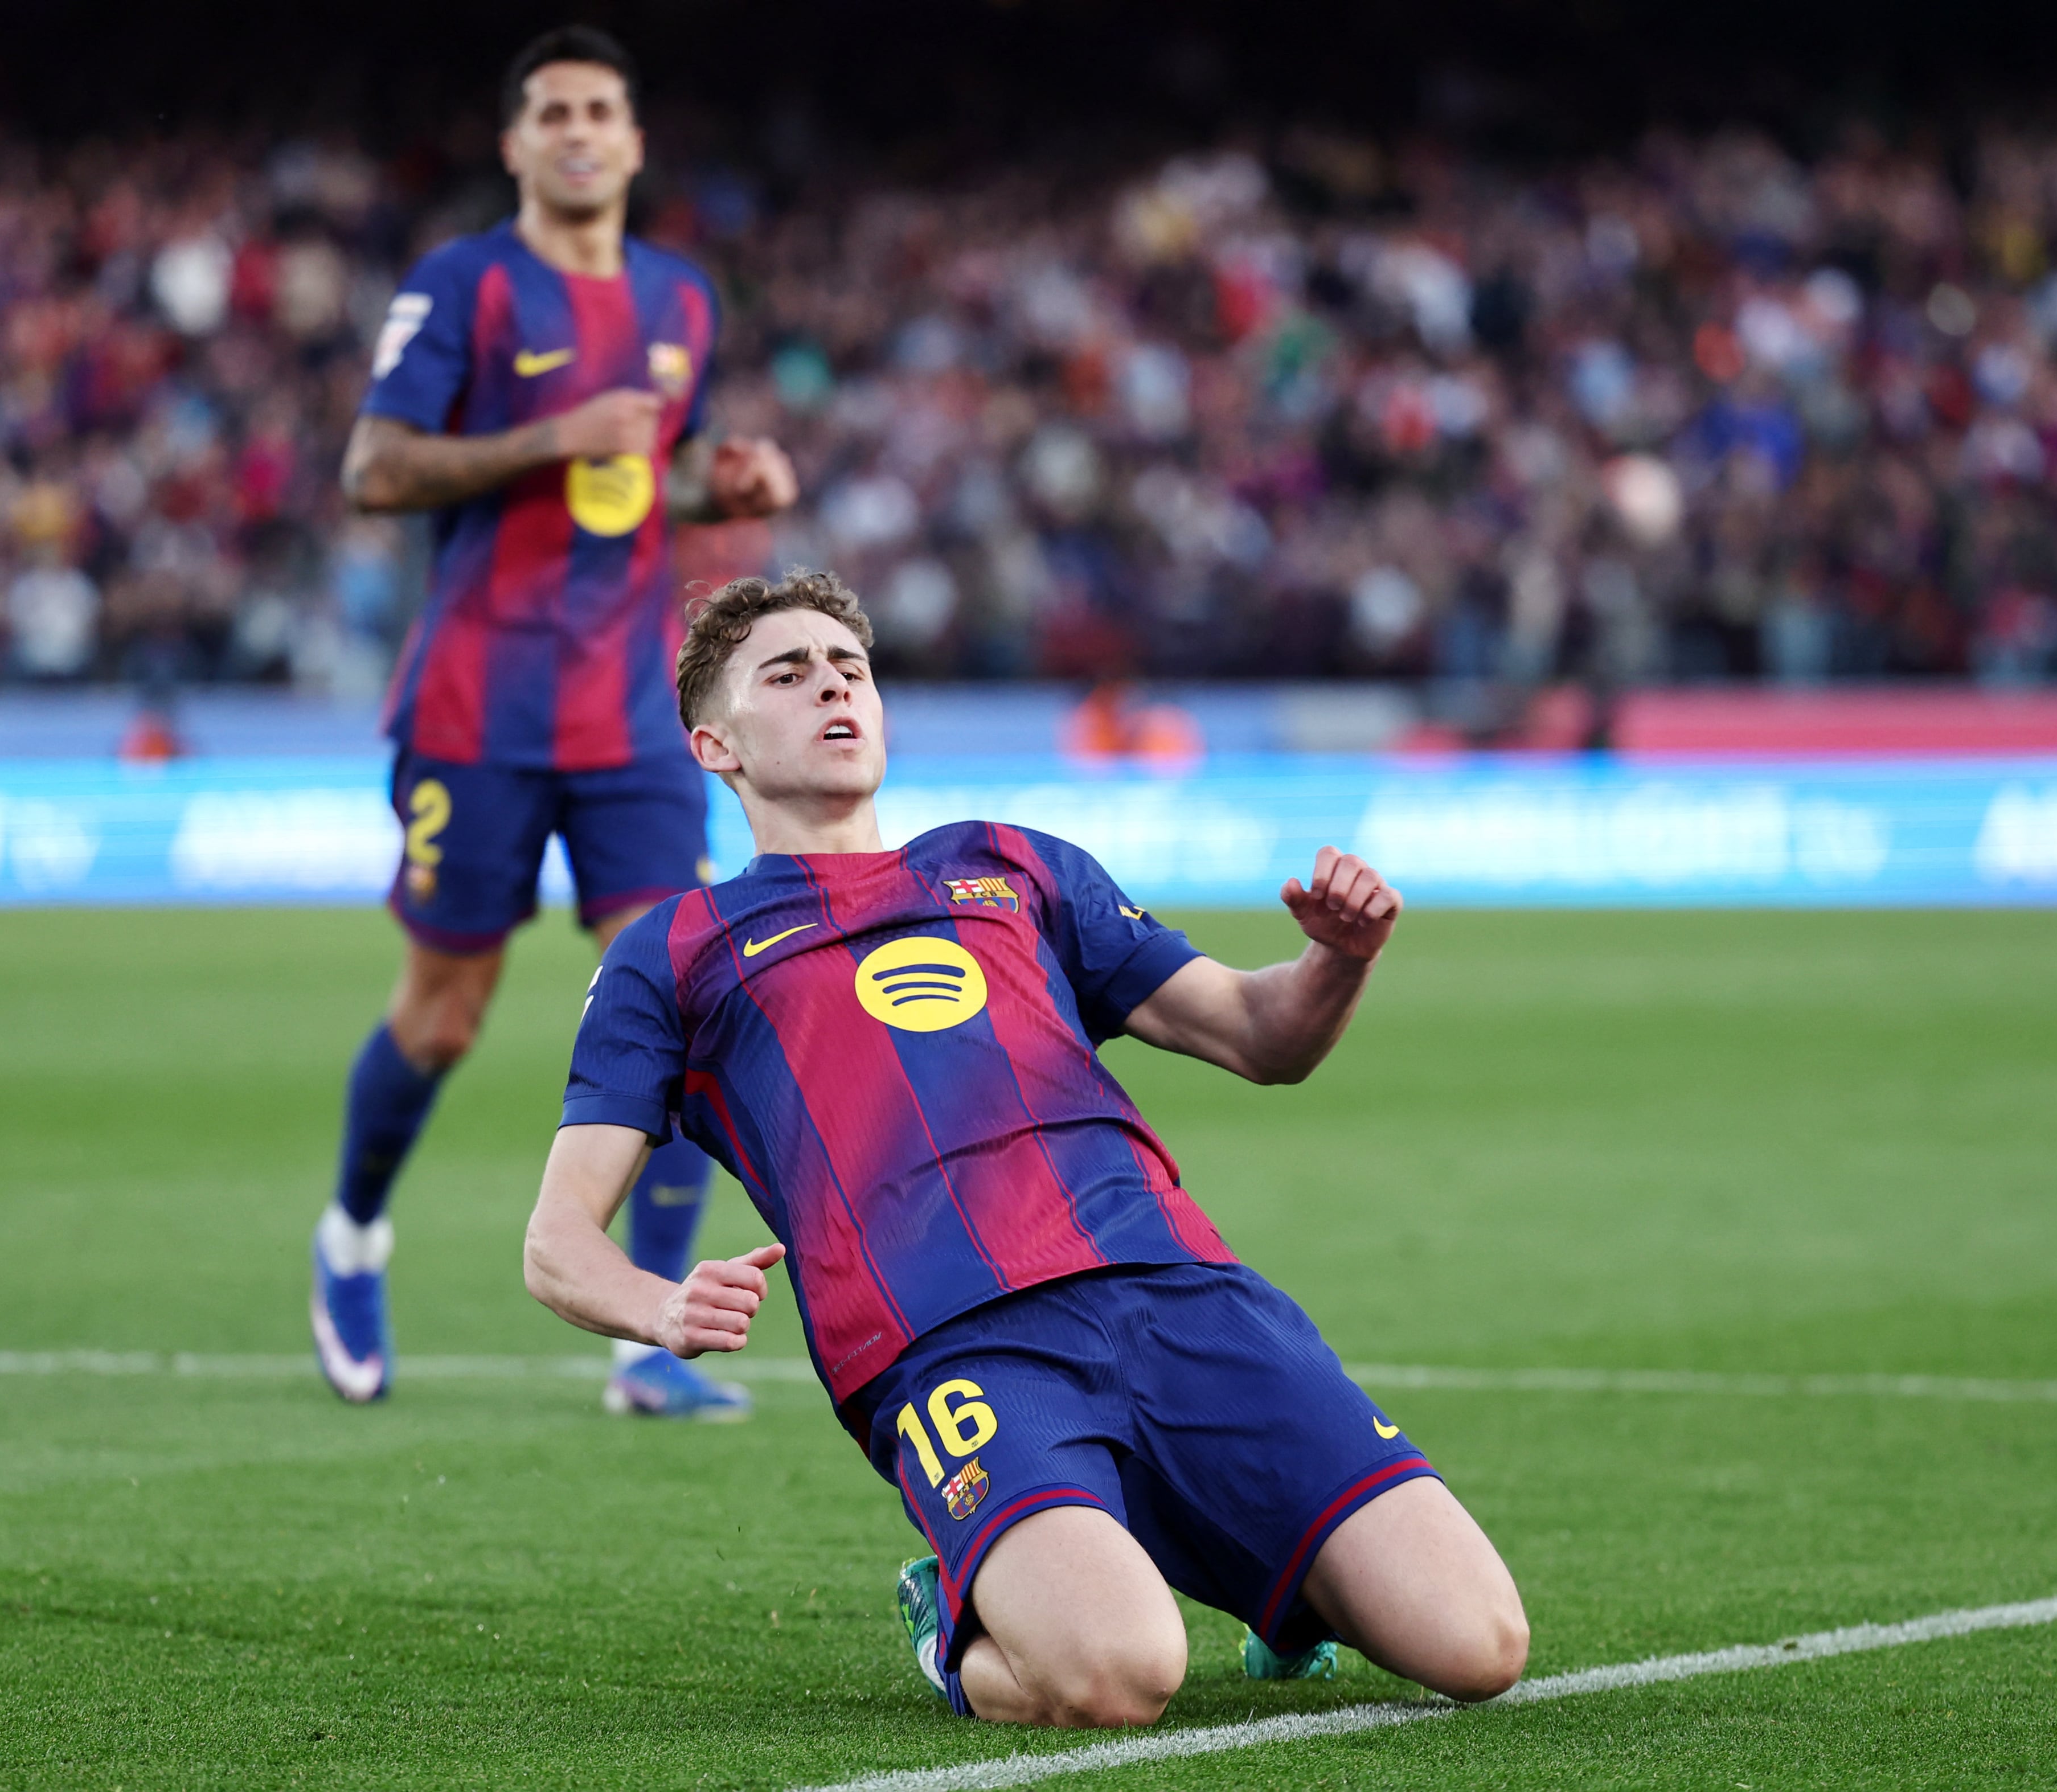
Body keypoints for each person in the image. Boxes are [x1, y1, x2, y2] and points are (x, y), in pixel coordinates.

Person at [523, 571, 1528, 1724]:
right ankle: (952, 1621)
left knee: (1480, 1645)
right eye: (788, 675)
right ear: (715, 744)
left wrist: (1336, 959)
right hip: (957, 1349)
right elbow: (555, 1239)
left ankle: (1282, 1598)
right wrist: (656, 1308)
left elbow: (1261, 1036)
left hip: (1178, 1294)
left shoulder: (1012, 863)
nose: (833, 689)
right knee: (1116, 1674)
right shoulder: (676, 950)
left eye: (849, 669)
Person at [311, 26, 798, 1413]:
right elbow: (374, 467)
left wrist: (725, 474)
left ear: (635, 144)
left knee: (686, 998)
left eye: (602, 111)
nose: (579, 131)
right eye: (553, 112)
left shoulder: (681, 299)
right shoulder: (463, 285)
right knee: (444, 1013)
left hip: (634, 711)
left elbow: (653, 473)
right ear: (516, 143)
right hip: (475, 703)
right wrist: (545, 435)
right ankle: (351, 1234)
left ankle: (648, 1338)